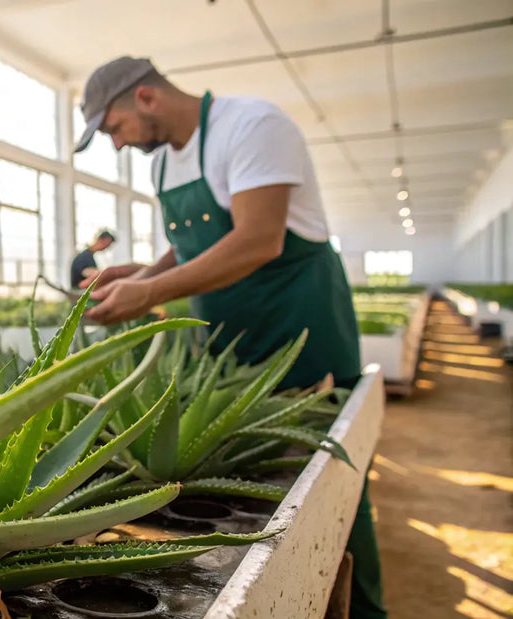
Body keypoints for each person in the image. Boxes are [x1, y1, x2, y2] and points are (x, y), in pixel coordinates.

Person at [73, 56, 384, 619]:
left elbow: (258, 239)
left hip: (299, 327)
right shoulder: (164, 163)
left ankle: (365, 609)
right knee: (254, 479)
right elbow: (191, 245)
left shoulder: (253, 126)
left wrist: (150, 295)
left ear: (144, 98)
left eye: (113, 128)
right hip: (224, 341)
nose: (116, 144)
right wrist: (142, 275)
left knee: (327, 475)